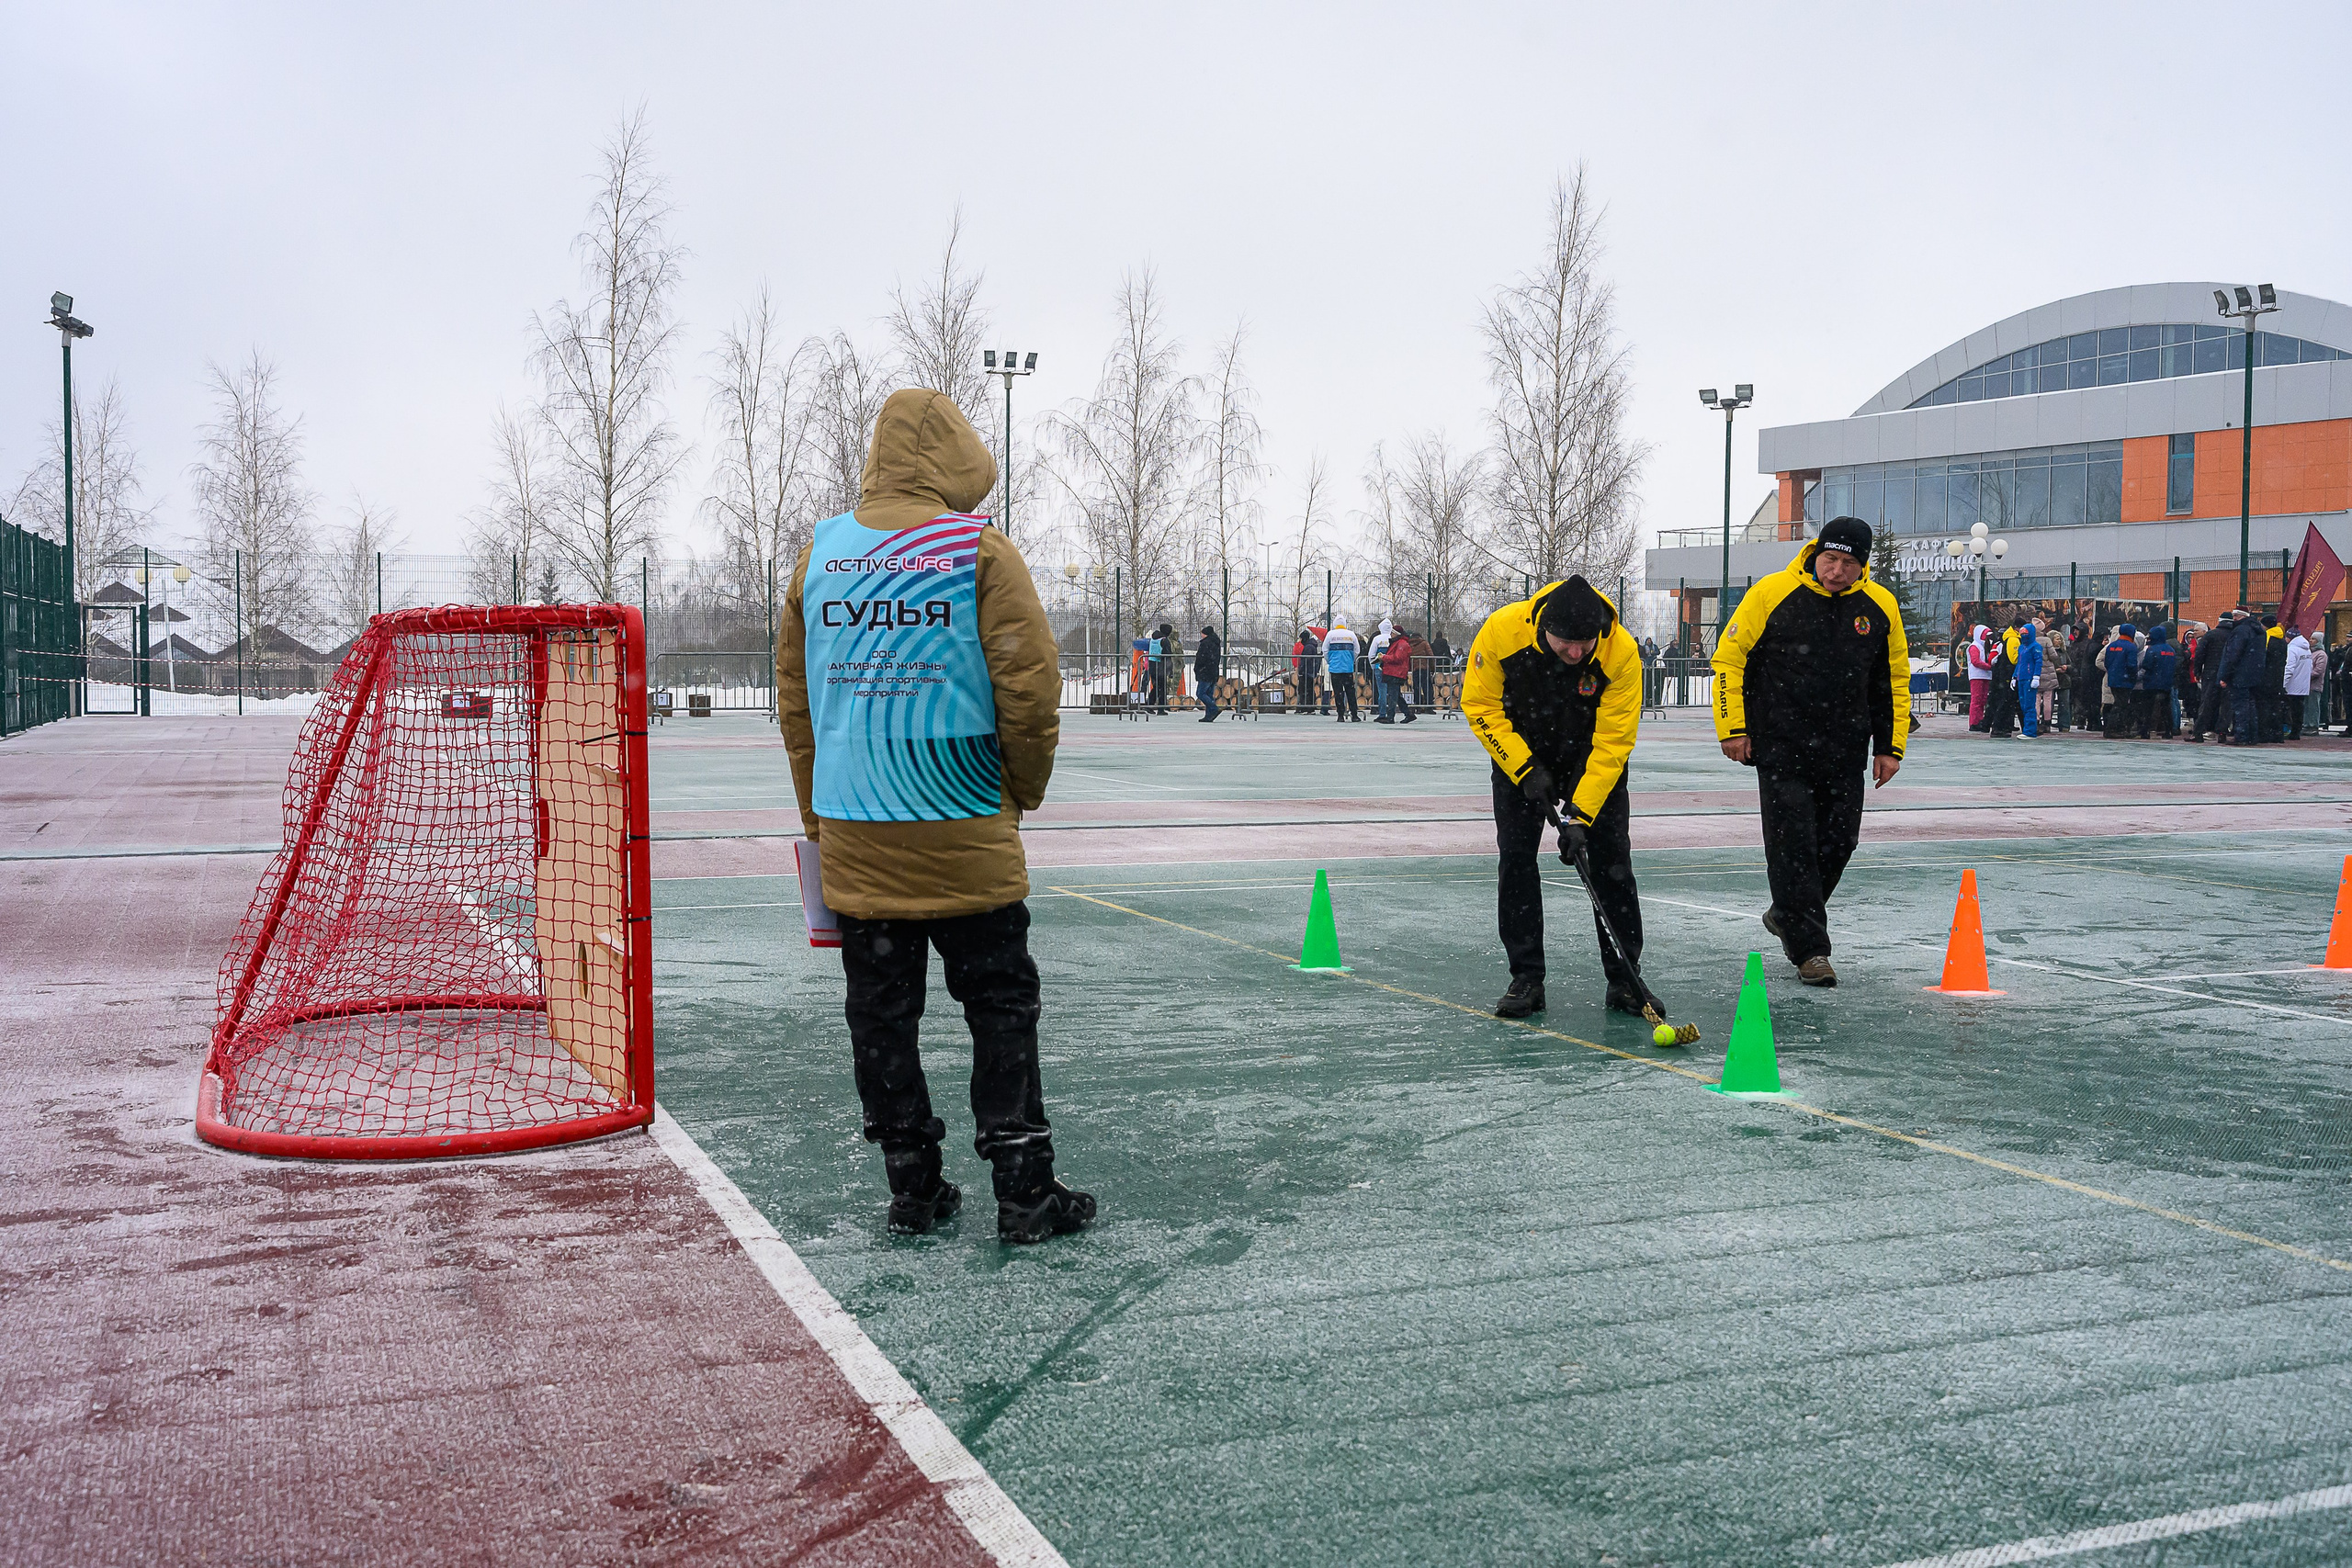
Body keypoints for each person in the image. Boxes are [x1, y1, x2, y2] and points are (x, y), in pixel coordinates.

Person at [776, 388, 1092, 1245]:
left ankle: (913, 1186)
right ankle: (1025, 1190)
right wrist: (1019, 791)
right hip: (964, 823)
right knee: (1000, 1005)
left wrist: (820, 818)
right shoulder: (978, 551)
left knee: (881, 1014)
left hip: (858, 830)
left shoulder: (821, 558)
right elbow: (1029, 690)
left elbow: (797, 710)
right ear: (957, 458)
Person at [1712, 516, 1907, 987]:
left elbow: (1891, 680)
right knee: (1792, 845)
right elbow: (1728, 660)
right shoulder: (1771, 593)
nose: (1836, 571)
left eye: (1847, 563)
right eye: (1829, 559)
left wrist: (1890, 747)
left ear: (1863, 566)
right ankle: (1811, 951)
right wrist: (1732, 727)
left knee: (1841, 843)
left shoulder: (1880, 606)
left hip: (1845, 750)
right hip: (1781, 746)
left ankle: (1787, 914)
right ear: (1815, 554)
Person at [1461, 575, 1647, 1020]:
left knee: (1612, 862)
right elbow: (1480, 705)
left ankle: (1625, 979)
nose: (1577, 653)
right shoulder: (1502, 631)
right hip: (1519, 755)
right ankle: (1526, 978)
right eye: (1566, 641)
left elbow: (1615, 740)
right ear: (1544, 626)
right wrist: (1524, 769)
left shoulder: (1619, 650)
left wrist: (1580, 817)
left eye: (1585, 643)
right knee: (1518, 859)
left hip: (1591, 756)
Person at [2216, 607, 2265, 745]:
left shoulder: (2241, 631)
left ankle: (2241, 736)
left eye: (2235, 616)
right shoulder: (2259, 631)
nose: (2234, 618)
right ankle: (2251, 735)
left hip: (2240, 675)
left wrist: (2225, 675)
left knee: (2240, 706)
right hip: (2254, 674)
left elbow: (2233, 655)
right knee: (2250, 705)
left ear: (2240, 616)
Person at [2187, 615, 2229, 742]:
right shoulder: (2234, 634)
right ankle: (2222, 733)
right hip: (2229, 674)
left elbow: (2200, 654)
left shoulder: (2211, 635)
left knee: (2206, 704)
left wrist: (2198, 671)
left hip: (2211, 673)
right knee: (2226, 706)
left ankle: (2198, 732)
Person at [2138, 623, 2178, 738]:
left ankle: (2145, 731)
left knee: (2148, 709)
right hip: (2166, 683)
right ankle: (2169, 731)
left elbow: (2147, 665)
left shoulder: (2152, 650)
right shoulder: (2171, 650)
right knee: (2166, 708)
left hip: (2152, 683)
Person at [2103, 623, 2141, 739]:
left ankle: (2113, 729)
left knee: (2118, 703)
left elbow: (2107, 663)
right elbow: (2132, 665)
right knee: (2121, 705)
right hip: (2125, 680)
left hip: (2113, 679)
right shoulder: (2131, 647)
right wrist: (2132, 677)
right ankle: (2114, 729)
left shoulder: (2111, 646)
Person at [1985, 621, 2020, 738]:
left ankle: (2001, 727)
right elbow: (2013, 659)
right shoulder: (2013, 640)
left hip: (2003, 676)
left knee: (2004, 702)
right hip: (2007, 676)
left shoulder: (2007, 640)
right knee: (2005, 702)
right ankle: (1999, 727)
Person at [1375, 626, 1417, 723]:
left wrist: (1384, 658)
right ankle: (1408, 714)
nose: (1390, 635)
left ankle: (1391, 717)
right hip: (1395, 672)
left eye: (1392, 633)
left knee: (1393, 695)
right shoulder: (1399, 643)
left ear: (1397, 634)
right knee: (1396, 695)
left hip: (1395, 673)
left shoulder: (1401, 644)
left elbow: (1397, 658)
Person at [1324, 617, 1362, 721]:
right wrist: (1350, 660)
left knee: (1338, 693)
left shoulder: (1330, 635)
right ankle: (1354, 715)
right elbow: (1357, 650)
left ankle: (1340, 715)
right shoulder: (1351, 634)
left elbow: (1325, 650)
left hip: (1335, 669)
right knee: (1350, 692)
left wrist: (1330, 661)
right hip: (1348, 668)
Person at [2011, 620, 2043, 739]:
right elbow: (2019, 663)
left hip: (2029, 679)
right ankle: (2027, 729)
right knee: (2024, 705)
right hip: (2021, 678)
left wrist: (2036, 677)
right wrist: (2015, 676)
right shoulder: (2021, 648)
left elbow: (2039, 662)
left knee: (2029, 705)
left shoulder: (2035, 647)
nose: (2023, 635)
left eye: (2026, 633)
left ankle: (2030, 731)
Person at [2258, 615, 2288, 743]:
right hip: (2278, 677)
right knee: (2276, 706)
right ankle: (2278, 733)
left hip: (2266, 677)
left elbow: (2262, 658)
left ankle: (2265, 733)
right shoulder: (2281, 639)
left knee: (2264, 706)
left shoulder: (2266, 638)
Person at [2284, 626, 2314, 740]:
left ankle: (2292, 732)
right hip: (2303, 685)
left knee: (2291, 709)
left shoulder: (2292, 649)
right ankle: (2297, 731)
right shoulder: (2306, 649)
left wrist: (2283, 683)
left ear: (2289, 638)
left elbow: (2289, 668)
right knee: (2299, 709)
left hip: (2292, 685)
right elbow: (2310, 667)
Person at [1965, 625, 1994, 730]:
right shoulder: (1974, 646)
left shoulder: (1984, 646)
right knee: (1976, 699)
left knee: (1982, 700)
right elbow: (1975, 661)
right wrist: (1989, 667)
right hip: (1976, 676)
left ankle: (1979, 720)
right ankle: (1974, 722)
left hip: (1985, 675)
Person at [1194, 623, 1223, 724]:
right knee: (1209, 694)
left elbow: (1201, 658)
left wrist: (1198, 668)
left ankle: (1214, 708)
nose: (1201, 635)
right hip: (1213, 671)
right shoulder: (1216, 643)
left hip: (1205, 671)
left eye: (1202, 634)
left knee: (1200, 693)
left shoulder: (1205, 643)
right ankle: (1209, 715)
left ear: (1205, 634)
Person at [1294, 625, 1325, 716]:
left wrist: (1301, 670)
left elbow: (1305, 660)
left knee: (1306, 689)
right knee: (1308, 689)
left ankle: (1307, 707)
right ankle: (1307, 707)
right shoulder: (1311, 646)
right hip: (1309, 671)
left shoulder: (1308, 647)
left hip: (1307, 672)